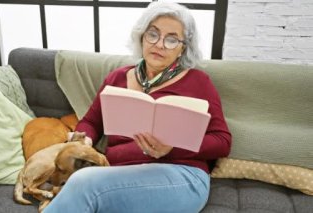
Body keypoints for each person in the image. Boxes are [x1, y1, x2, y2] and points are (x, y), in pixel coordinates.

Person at [44, 2, 231, 213]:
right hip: (118, 174)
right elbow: (91, 122)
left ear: (182, 48)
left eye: (171, 39)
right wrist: (84, 140)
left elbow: (222, 141)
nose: (159, 44)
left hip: (179, 175)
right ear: (142, 37)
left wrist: (171, 147)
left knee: (83, 183)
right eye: (153, 34)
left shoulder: (198, 82)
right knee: (87, 186)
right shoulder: (117, 78)